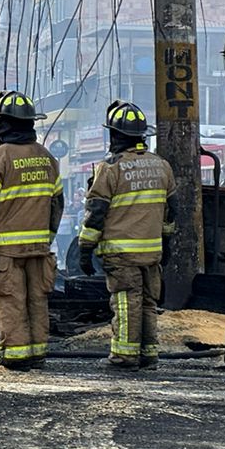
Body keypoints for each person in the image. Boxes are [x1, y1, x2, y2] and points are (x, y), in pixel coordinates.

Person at [0, 90, 63, 369]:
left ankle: (16, 357)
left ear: (2, 123)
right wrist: (47, 237)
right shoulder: (47, 158)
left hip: (4, 252)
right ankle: (37, 353)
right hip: (39, 250)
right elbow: (58, 204)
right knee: (36, 301)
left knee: (9, 301)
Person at [78, 100, 177, 370]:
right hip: (151, 252)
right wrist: (165, 244)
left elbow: (96, 213)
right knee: (147, 302)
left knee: (125, 302)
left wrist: (85, 249)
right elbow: (171, 211)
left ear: (115, 135)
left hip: (121, 253)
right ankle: (149, 355)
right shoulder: (162, 166)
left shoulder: (110, 168)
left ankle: (124, 356)